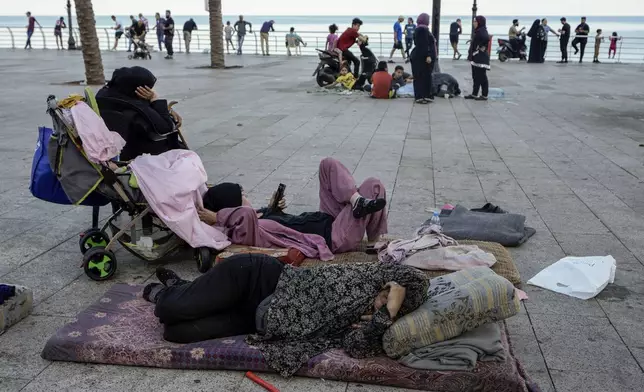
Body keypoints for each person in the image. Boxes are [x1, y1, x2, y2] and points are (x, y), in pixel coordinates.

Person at [144, 253, 427, 377]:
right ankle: (169, 290)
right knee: (169, 309)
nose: (382, 303)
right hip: (257, 279)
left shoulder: (373, 324)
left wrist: (385, 314)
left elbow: (356, 347)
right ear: (388, 281)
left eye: (391, 305)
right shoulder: (364, 277)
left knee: (176, 333)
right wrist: (388, 296)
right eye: (386, 294)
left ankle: (183, 289)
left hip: (255, 320)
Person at [198, 157, 388, 255]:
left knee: (327, 164)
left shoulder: (257, 218)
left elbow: (279, 224)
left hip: (328, 218)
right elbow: (245, 216)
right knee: (374, 185)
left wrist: (273, 209)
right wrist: (217, 218)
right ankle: (375, 241)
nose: (246, 195)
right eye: (242, 195)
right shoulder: (242, 230)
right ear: (233, 207)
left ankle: (355, 200)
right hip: (334, 237)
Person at [96, 67, 182, 161]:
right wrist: (155, 99)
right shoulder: (137, 107)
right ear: (140, 90)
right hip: (139, 155)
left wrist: (168, 110)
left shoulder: (104, 95)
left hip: (113, 150)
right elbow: (166, 128)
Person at [410, 13, 436, 104]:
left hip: (419, 57)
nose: (429, 21)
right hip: (422, 58)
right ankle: (423, 96)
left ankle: (421, 96)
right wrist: (428, 55)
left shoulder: (419, 29)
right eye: (428, 19)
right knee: (423, 76)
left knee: (420, 76)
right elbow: (424, 44)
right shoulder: (423, 29)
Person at [465, 16, 490, 101]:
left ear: (479, 22)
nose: (474, 23)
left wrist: (481, 47)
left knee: (482, 76)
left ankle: (484, 95)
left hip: (481, 58)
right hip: (476, 57)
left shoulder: (481, 30)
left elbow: (486, 38)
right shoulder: (478, 31)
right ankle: (474, 93)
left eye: (475, 21)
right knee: (475, 76)